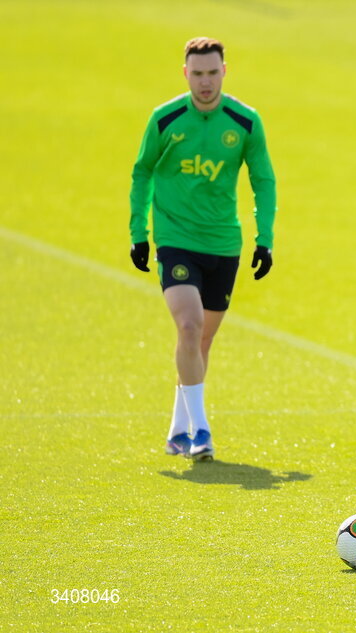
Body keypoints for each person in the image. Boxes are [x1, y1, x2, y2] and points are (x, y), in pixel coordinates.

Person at [129, 37, 277, 461]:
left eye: (213, 72)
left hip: (223, 244)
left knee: (201, 342)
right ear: (185, 74)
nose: (206, 82)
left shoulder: (245, 122)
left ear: (224, 71)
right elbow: (142, 173)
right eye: (198, 74)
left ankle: (178, 429)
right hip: (175, 240)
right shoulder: (166, 119)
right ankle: (201, 432)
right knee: (190, 326)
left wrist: (264, 239)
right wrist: (139, 232)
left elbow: (263, 180)